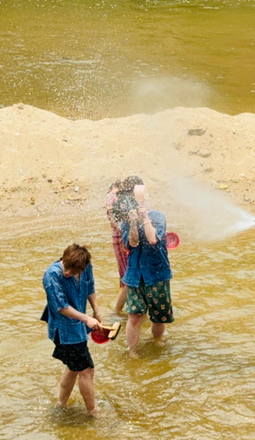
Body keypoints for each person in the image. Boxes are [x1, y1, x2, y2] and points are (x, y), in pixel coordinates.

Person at [42, 244, 105, 415]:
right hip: (63, 330)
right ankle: (93, 411)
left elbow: (89, 287)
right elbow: (61, 307)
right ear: (63, 259)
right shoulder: (52, 275)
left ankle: (61, 404)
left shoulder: (85, 267)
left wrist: (96, 310)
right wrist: (86, 319)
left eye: (73, 270)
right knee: (86, 369)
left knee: (73, 367)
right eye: (66, 267)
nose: (68, 272)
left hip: (78, 326)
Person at [116, 176, 174, 358]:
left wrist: (145, 218)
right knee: (134, 316)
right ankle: (132, 350)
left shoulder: (158, 217)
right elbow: (131, 244)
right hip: (135, 276)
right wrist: (133, 222)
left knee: (159, 316)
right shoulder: (126, 221)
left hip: (157, 274)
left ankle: (156, 340)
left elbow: (152, 239)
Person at [106, 180, 129, 314]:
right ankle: (116, 312)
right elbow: (117, 221)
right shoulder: (113, 196)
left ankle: (121, 310)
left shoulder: (113, 197)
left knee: (126, 280)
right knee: (127, 282)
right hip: (121, 240)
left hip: (121, 239)